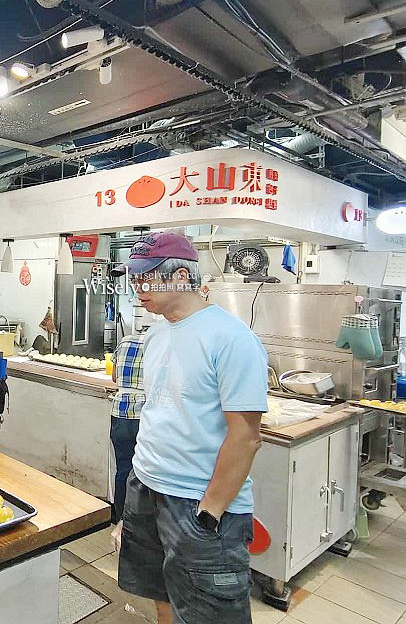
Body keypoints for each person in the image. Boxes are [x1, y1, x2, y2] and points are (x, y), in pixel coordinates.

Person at [110, 232, 268, 624]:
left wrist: (210, 511)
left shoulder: (231, 338)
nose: (137, 288)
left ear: (181, 277)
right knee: (160, 592)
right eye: (133, 279)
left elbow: (246, 437)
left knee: (208, 612)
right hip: (147, 486)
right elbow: (159, 410)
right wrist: (137, 486)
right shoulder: (157, 332)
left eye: (145, 278)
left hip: (196, 501)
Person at [109, 332, 144, 524]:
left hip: (120, 412)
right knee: (143, 472)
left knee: (123, 468)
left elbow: (115, 377)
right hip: (144, 414)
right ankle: (138, 521)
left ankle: (120, 518)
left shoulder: (125, 341)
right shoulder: (160, 342)